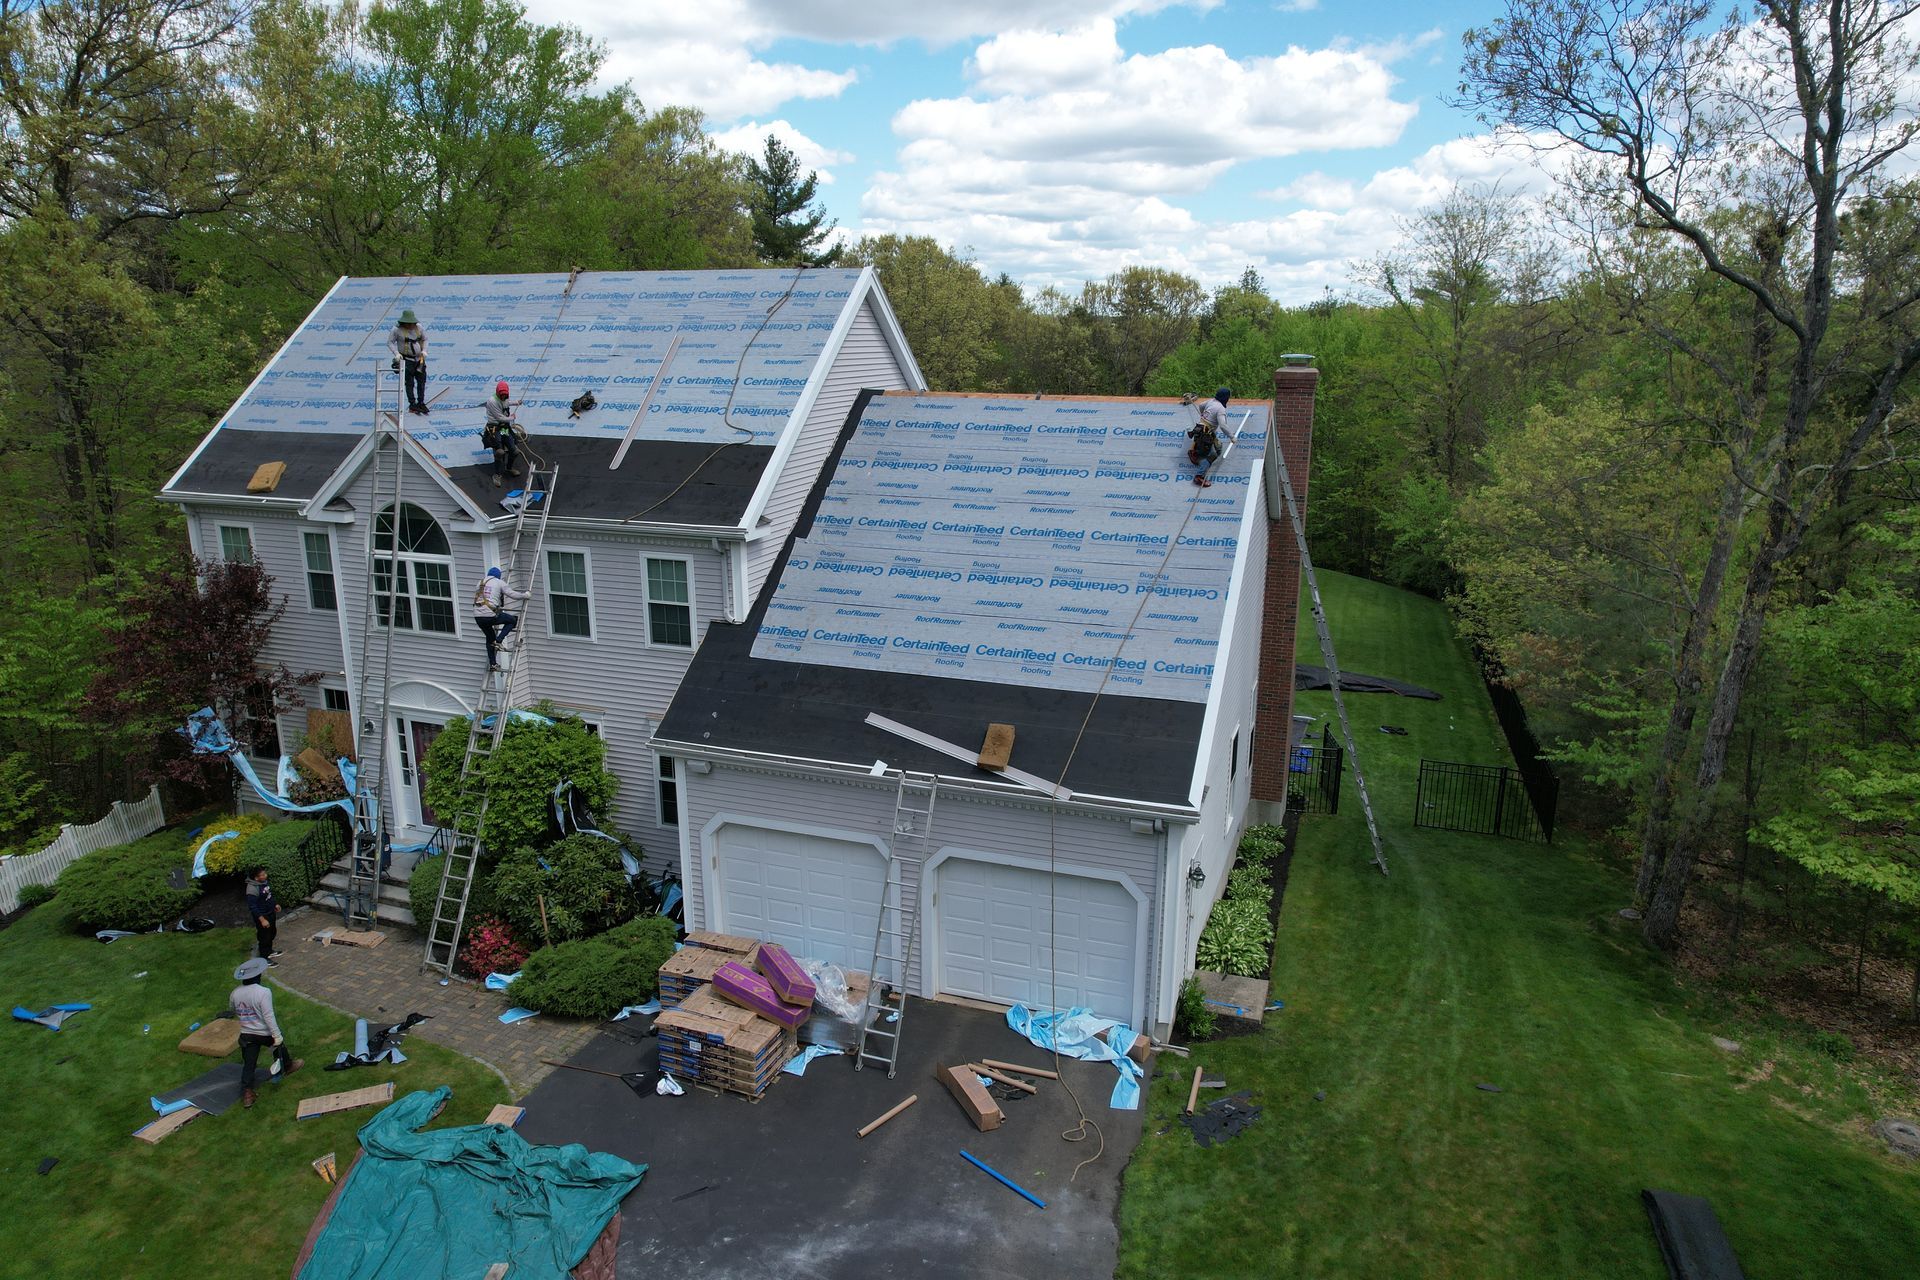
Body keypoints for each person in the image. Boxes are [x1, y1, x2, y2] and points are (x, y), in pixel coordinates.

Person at [231, 958, 301, 1108]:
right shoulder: (263, 992)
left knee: (249, 1064)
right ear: (257, 976)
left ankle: (247, 1093)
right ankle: (287, 1066)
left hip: (247, 1034)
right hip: (264, 1033)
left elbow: (233, 1009)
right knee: (279, 1046)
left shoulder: (235, 993)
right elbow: (269, 1016)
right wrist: (277, 1035)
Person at [473, 566, 530, 671]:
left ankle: (493, 664)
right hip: (490, 615)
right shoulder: (499, 582)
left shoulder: (480, 583)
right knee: (512, 620)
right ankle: (499, 641)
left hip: (478, 617)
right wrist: (525, 595)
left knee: (490, 639)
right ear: (498, 576)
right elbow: (512, 594)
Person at [482, 380, 526, 487]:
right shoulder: (492, 401)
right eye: (501, 395)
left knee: (514, 451)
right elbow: (499, 417)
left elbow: (506, 403)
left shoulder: (504, 397)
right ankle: (497, 474)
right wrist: (511, 418)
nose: (503, 397)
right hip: (494, 428)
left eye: (505, 395)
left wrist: (516, 402)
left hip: (503, 428)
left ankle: (509, 468)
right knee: (500, 452)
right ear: (498, 392)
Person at [1187, 387, 1233, 487]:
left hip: (1199, 428)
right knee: (1213, 454)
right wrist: (1231, 436)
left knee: (1217, 446)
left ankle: (1194, 451)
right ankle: (1199, 476)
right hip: (1205, 434)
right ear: (1225, 398)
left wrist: (1203, 415)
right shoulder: (1221, 409)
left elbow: (1201, 405)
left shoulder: (1211, 401)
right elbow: (1223, 425)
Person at [387, 309, 429, 413]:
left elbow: (425, 339)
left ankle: (421, 402)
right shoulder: (396, 330)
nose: (411, 326)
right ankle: (412, 404)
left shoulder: (419, 327)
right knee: (409, 382)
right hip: (407, 360)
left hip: (419, 359)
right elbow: (390, 342)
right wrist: (396, 353)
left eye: (412, 323)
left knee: (421, 381)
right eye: (408, 323)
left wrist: (424, 350)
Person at [246, 864, 281, 963]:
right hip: (263, 915)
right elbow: (253, 907)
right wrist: (262, 920)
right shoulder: (252, 889)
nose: (265, 875)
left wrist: (275, 904)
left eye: (265, 873)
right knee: (264, 937)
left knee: (272, 932)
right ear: (256, 878)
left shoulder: (264, 882)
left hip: (270, 912)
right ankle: (264, 957)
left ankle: (269, 951)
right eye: (263, 875)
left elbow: (269, 895)